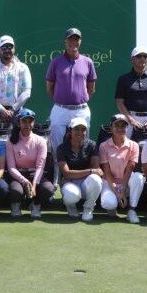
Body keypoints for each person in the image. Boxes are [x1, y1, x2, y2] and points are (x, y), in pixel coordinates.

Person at [45, 27, 98, 183]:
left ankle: (82, 180)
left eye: (76, 39)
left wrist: (80, 98)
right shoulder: (56, 62)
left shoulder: (87, 62)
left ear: (80, 42)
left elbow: (91, 88)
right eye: (70, 39)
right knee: (56, 146)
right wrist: (62, 99)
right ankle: (56, 180)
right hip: (60, 109)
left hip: (81, 110)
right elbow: (49, 87)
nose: (73, 42)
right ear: (65, 41)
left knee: (83, 146)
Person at [7, 108, 55, 219]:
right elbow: (11, 168)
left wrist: (33, 185)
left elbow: (40, 166)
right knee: (15, 191)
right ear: (19, 123)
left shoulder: (41, 141)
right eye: (24, 121)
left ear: (33, 123)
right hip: (17, 175)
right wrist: (25, 181)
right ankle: (16, 205)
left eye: (30, 121)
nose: (27, 124)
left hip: (35, 174)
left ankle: (35, 204)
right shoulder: (10, 141)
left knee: (48, 189)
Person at [98, 114, 145, 223]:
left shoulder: (134, 145)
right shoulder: (103, 146)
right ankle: (112, 208)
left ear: (127, 128)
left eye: (123, 126)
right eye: (117, 126)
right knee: (108, 203)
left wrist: (122, 190)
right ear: (111, 128)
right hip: (109, 182)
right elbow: (106, 170)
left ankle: (132, 210)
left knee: (138, 177)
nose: (120, 128)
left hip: (126, 182)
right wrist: (116, 190)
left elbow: (130, 168)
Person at [57, 117, 103, 221]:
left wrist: (90, 172)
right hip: (69, 183)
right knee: (71, 195)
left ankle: (88, 208)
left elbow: (97, 170)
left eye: (83, 129)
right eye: (76, 129)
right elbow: (67, 174)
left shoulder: (92, 145)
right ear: (70, 130)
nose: (80, 132)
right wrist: (90, 171)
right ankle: (71, 206)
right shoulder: (61, 148)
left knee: (96, 179)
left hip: (85, 183)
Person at [114, 46, 147, 140]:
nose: (142, 58)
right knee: (127, 148)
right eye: (139, 56)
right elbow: (119, 102)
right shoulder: (123, 79)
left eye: (145, 56)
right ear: (132, 59)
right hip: (129, 119)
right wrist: (130, 119)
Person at [0, 34, 32, 124]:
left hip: (17, 111)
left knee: (16, 137)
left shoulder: (23, 68)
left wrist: (13, 109)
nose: (7, 50)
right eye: (4, 47)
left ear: (14, 48)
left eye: (10, 47)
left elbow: (27, 92)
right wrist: (1, 109)